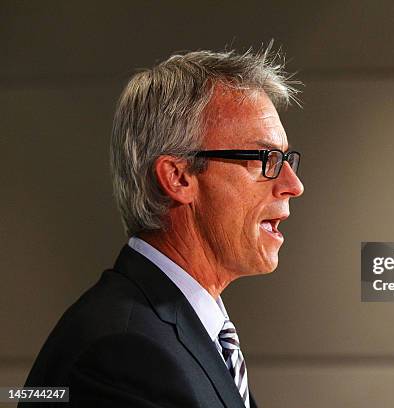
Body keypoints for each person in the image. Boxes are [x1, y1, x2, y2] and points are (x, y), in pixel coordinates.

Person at [20, 46, 304, 408]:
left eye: (285, 159)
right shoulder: (121, 352)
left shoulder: (187, 332)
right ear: (178, 177)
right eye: (265, 159)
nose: (293, 184)